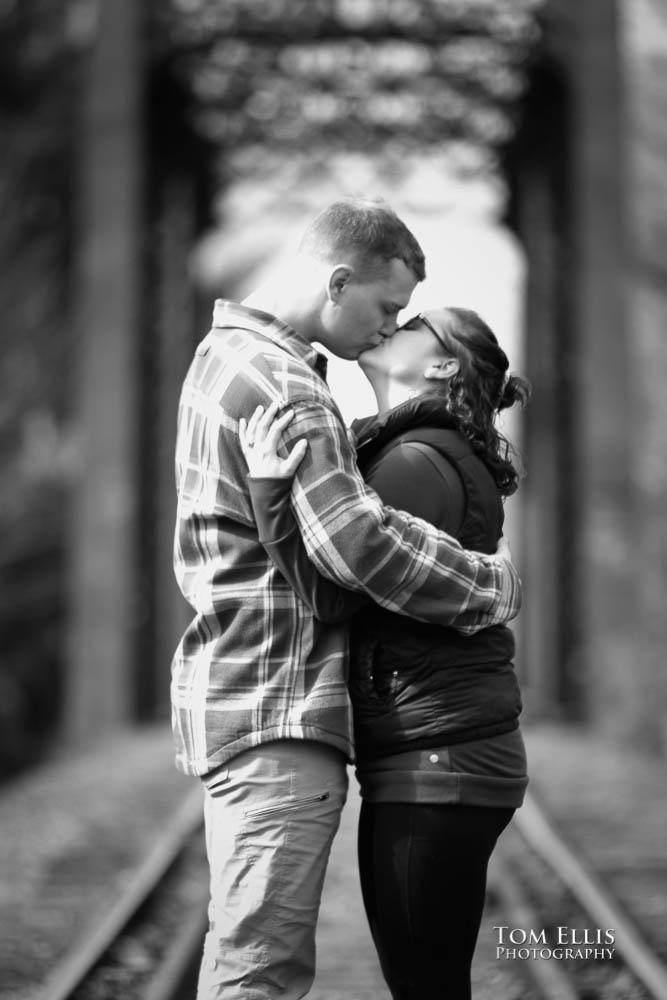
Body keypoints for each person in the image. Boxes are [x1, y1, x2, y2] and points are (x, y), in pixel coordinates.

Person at [171, 198, 522, 1000]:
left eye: (405, 319)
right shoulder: (291, 388)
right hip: (279, 703)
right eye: (388, 307)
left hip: (267, 701)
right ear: (337, 281)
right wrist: (491, 583)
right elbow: (354, 561)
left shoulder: (223, 356)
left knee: (260, 959)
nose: (388, 325)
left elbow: (344, 568)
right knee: (262, 968)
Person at [239, 305, 531, 1000]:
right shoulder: (413, 450)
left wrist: (267, 494)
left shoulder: (409, 461)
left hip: (437, 760)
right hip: (444, 751)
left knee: (423, 985)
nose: (387, 327)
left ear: (440, 366)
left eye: (410, 326)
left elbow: (338, 595)